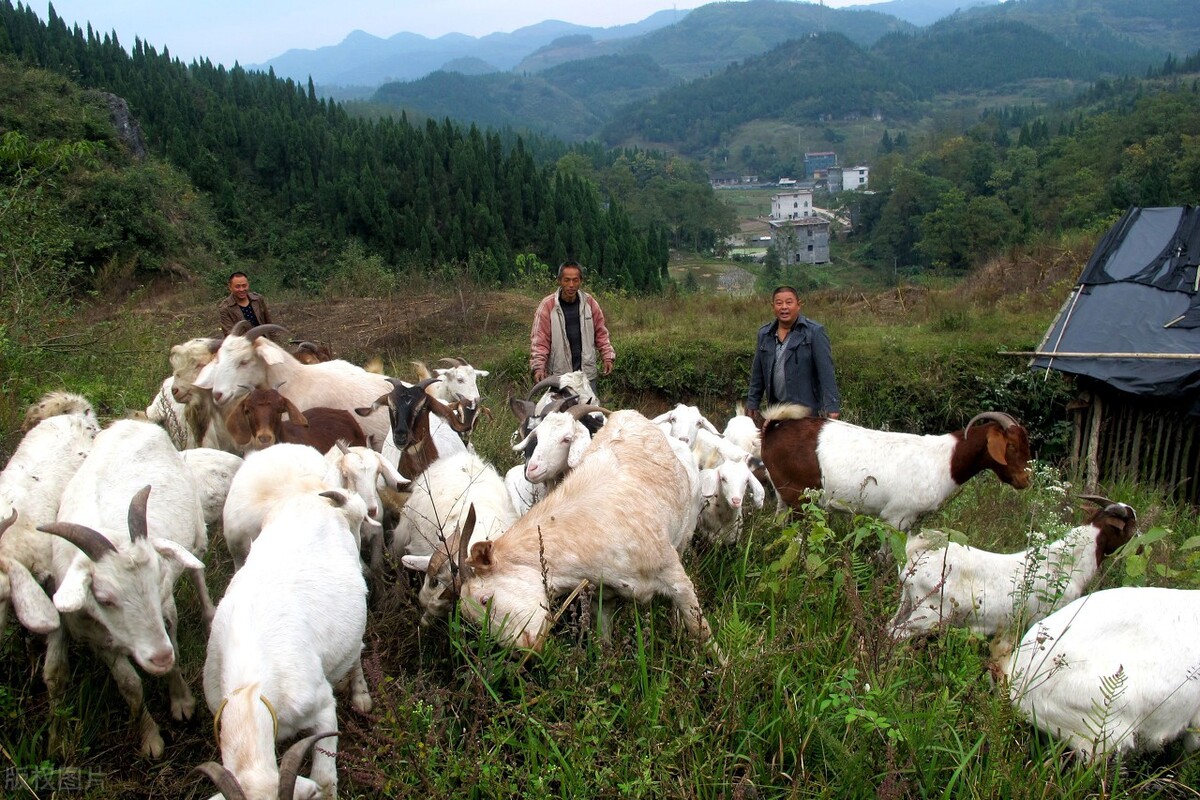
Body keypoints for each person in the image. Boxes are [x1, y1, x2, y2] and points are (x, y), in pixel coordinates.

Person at [746, 285, 841, 424]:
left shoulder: (814, 332)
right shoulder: (765, 334)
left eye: (789, 302)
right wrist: (753, 402)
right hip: (776, 411)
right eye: (779, 303)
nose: (784, 307)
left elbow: (826, 372)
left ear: (798, 305)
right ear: (773, 306)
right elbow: (758, 374)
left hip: (807, 413)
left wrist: (832, 405)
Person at [530, 261, 615, 393]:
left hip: (586, 375)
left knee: (589, 410)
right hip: (560, 376)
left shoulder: (589, 303)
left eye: (575, 280)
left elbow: (601, 333)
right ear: (559, 281)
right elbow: (540, 341)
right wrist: (539, 367)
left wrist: (607, 356)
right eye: (567, 280)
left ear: (581, 281)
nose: (571, 285)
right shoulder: (548, 306)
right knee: (561, 412)